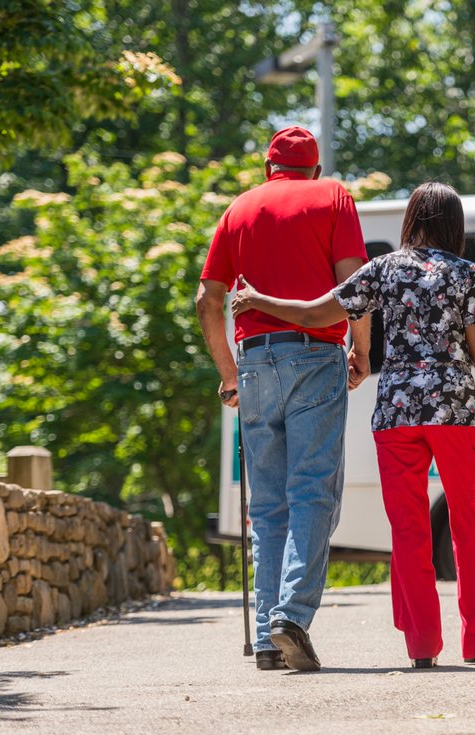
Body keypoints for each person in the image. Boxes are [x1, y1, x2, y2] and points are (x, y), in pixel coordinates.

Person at [231, 181, 475, 669]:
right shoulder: (465, 274)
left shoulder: (383, 270)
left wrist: (258, 300)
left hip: (395, 413)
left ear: (411, 219)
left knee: (409, 530)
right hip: (455, 411)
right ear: (454, 225)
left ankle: (421, 647)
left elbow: (316, 313)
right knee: (470, 522)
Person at [195, 126, 371, 672]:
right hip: (314, 356)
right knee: (313, 491)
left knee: (268, 506)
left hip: (252, 364)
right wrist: (360, 352)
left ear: (268, 169)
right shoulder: (334, 196)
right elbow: (353, 288)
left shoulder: (239, 209)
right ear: (313, 170)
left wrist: (228, 375)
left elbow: (207, 300)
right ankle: (290, 616)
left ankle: (269, 640)